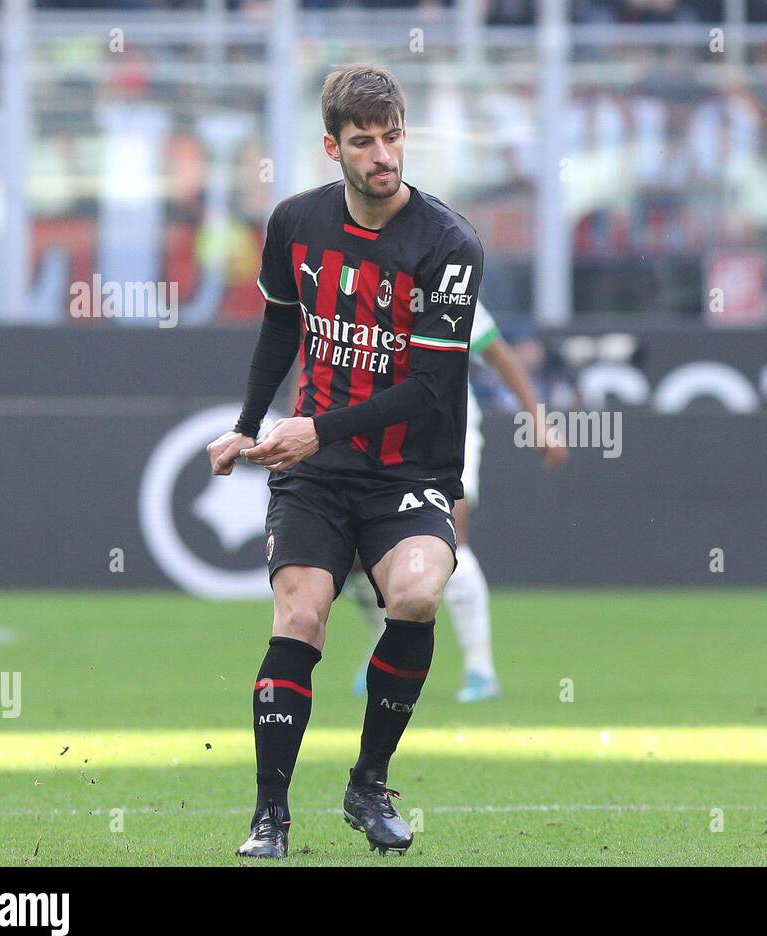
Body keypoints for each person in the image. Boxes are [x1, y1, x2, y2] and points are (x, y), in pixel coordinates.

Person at [205, 64, 484, 858]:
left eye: (392, 137)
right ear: (332, 146)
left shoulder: (448, 244)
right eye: (363, 142)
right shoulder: (295, 223)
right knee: (300, 617)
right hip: (319, 476)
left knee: (421, 595)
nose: (383, 155)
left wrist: (317, 429)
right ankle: (270, 815)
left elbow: (432, 387)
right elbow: (280, 330)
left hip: (408, 471)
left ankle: (368, 784)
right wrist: (246, 425)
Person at [349, 300, 568, 703]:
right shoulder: (359, 265)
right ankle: (382, 642)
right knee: (359, 550)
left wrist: (538, 420)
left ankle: (480, 669)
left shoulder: (447, 273)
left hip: (443, 423)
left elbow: (499, 355)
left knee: (449, 533)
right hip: (374, 422)